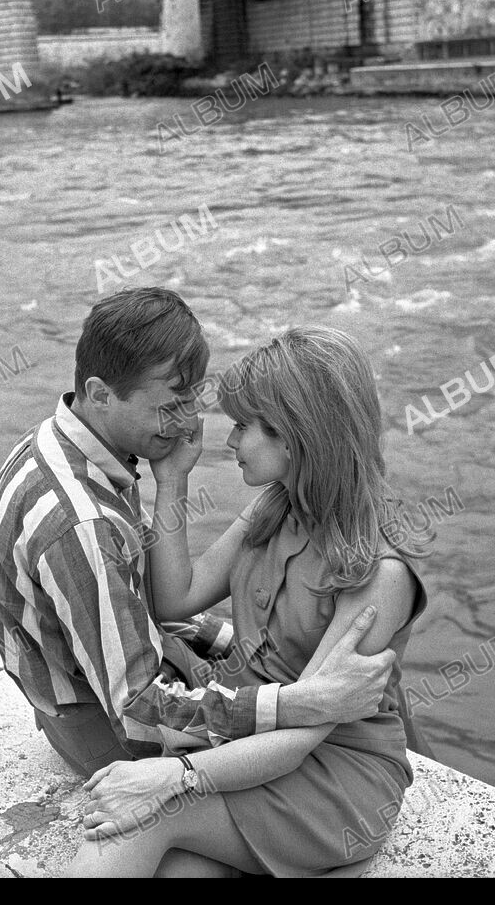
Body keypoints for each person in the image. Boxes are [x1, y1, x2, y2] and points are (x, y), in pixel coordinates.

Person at [0, 289, 398, 799]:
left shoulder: (60, 447)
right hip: (110, 735)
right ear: (101, 393)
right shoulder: (82, 523)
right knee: (338, 729)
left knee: (366, 709)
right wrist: (297, 701)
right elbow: (140, 712)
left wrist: (171, 482)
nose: (186, 426)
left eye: (190, 402)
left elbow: (136, 606)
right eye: (170, 406)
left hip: (84, 700)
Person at [66, 324, 430, 877]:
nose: (229, 442)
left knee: (136, 819)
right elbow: (176, 599)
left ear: (296, 436)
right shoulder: (273, 509)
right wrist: (171, 481)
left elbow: (309, 727)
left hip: (333, 777)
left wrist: (179, 775)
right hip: (253, 742)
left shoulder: (379, 576)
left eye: (242, 426)